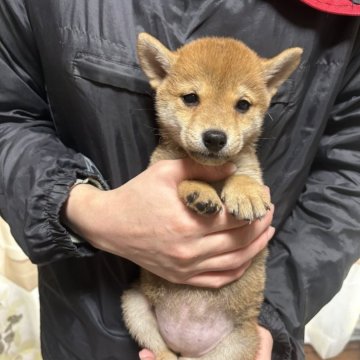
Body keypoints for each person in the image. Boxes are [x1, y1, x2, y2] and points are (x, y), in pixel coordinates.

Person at [0, 1, 359, 359]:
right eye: (191, 98)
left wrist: (274, 316)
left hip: (235, 326)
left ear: (270, 88)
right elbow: (9, 116)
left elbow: (347, 164)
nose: (216, 127)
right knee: (135, 305)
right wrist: (84, 209)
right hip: (98, 320)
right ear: (158, 72)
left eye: (242, 105)